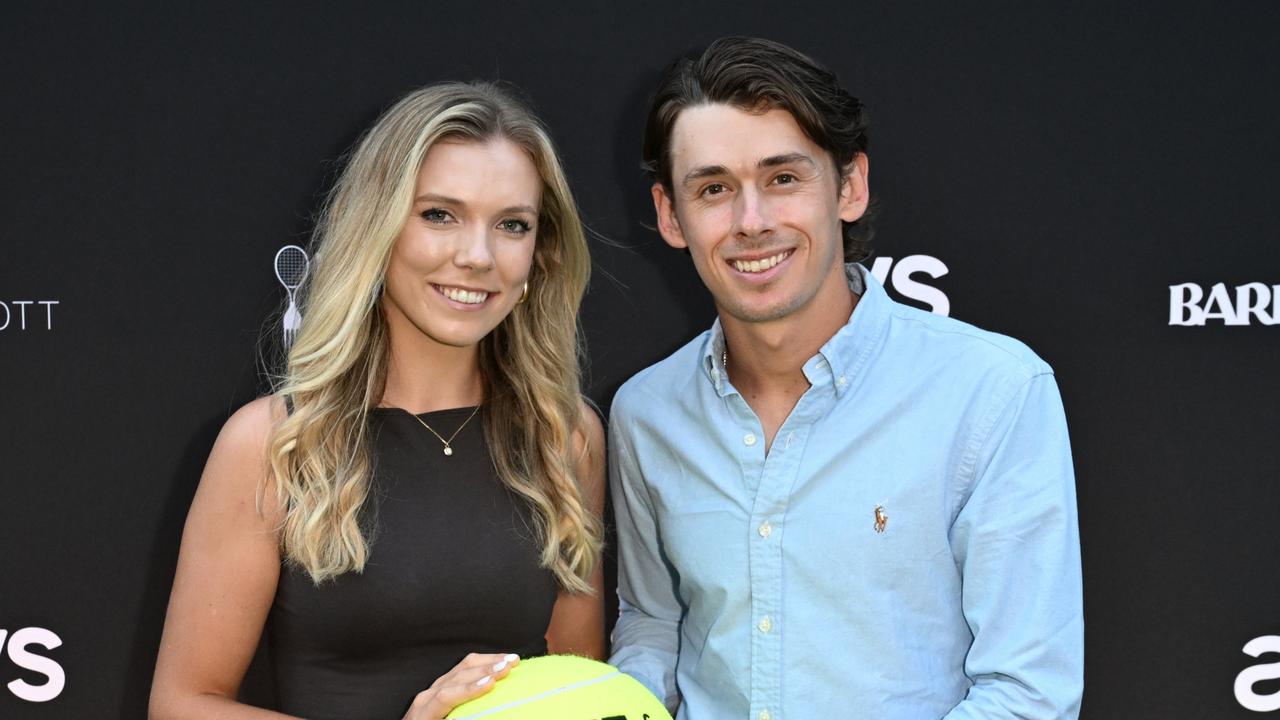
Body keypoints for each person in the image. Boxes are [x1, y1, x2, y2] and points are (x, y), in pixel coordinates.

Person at [609, 37, 1083, 719]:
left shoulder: (993, 392)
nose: (752, 221)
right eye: (713, 189)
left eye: (783, 178)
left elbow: (1028, 696)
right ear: (668, 215)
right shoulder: (646, 413)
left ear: (849, 186)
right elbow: (654, 623)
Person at [149, 81, 606, 720]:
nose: (477, 257)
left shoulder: (566, 434)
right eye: (439, 215)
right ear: (377, 229)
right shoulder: (275, 444)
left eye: (512, 225)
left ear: (539, 252)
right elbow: (182, 706)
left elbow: (582, 690)